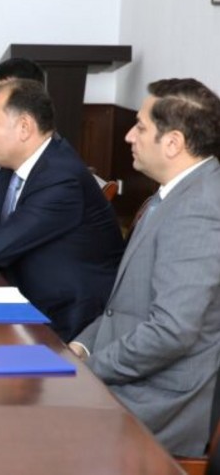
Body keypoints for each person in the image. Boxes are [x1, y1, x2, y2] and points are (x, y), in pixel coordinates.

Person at [69, 78, 220, 457]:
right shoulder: (172, 194)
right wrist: (82, 346)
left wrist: (92, 368)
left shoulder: (199, 209)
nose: (128, 136)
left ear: (173, 143)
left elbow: (172, 331)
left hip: (158, 402)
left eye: (140, 126)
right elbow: (121, 307)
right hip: (132, 376)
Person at [0, 79, 124, 341]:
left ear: (25, 127)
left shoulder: (61, 178)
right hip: (19, 294)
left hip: (61, 323)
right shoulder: (12, 166)